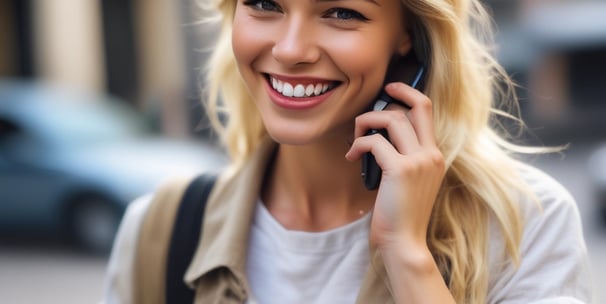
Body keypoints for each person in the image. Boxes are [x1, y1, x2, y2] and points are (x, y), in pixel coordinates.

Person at [104, 0, 593, 303]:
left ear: (409, 34)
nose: (292, 49)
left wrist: (408, 256)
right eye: (263, 3)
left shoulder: (524, 224)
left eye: (342, 12)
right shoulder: (159, 231)